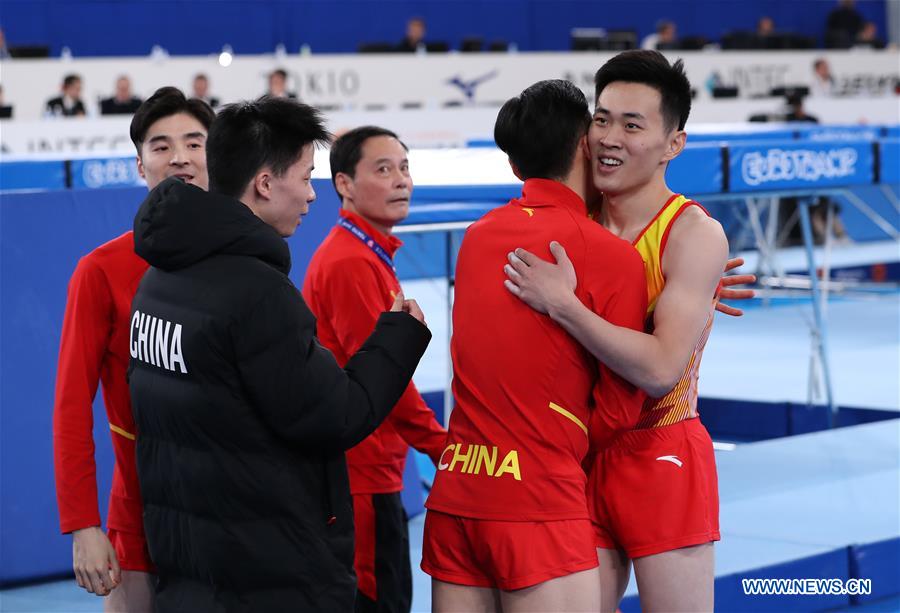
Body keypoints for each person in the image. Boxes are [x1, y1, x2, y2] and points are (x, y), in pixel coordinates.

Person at [128, 97, 431, 611]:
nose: (312, 196)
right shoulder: (256, 290)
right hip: (266, 570)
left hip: (194, 561)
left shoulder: (159, 278)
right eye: (307, 177)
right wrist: (400, 336)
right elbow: (334, 414)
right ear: (265, 184)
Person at [504, 50, 731, 612]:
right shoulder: (570, 218)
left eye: (632, 125)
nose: (609, 137)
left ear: (672, 145)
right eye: (601, 119)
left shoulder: (692, 234)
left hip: (662, 452)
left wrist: (567, 306)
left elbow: (658, 370)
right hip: (575, 455)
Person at [423, 79, 648, 612]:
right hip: (539, 502)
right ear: (584, 147)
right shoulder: (611, 256)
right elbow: (620, 408)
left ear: (514, 164)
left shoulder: (478, 236)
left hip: (458, 494)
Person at [53, 86, 215, 612]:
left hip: (233, 517)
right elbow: (72, 407)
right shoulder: (100, 271)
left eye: (195, 142)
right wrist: (83, 525)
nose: (181, 157)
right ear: (140, 164)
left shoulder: (249, 261)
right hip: (142, 520)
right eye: (161, 145)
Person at [303, 126, 447, 613]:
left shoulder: (366, 254)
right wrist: (443, 447)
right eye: (383, 170)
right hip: (361, 477)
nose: (400, 181)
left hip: (372, 468)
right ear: (343, 184)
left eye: (404, 168)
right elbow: (383, 378)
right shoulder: (349, 263)